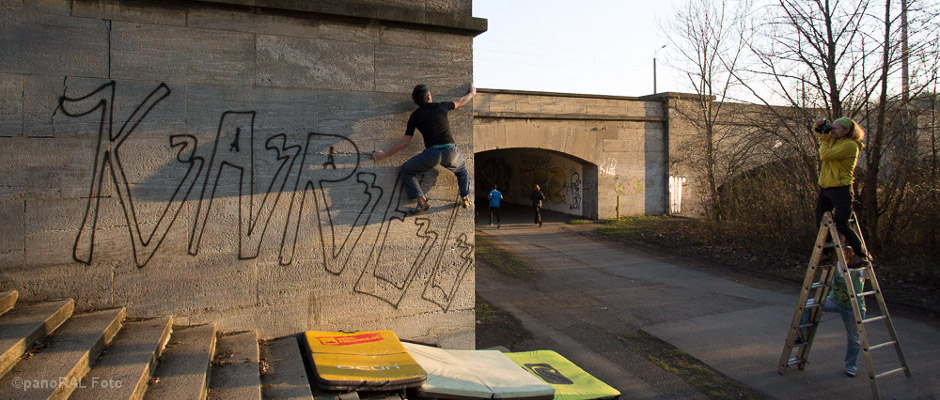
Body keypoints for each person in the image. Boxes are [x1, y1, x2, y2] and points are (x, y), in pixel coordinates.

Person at [373, 84, 476, 214]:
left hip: (431, 154)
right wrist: (472, 93)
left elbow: (405, 142)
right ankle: (465, 198)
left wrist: (384, 155)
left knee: (406, 170)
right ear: (429, 96)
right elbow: (460, 101)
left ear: (417, 102)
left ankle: (422, 202)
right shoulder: (441, 106)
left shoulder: (415, 116)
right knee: (461, 171)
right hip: (450, 151)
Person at [797, 249, 867, 377]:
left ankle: (851, 366)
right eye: (840, 255)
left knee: (854, 338)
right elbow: (823, 268)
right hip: (834, 301)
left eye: (845, 255)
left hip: (853, 307)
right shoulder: (836, 266)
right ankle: (803, 333)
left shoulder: (857, 269)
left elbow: (867, 272)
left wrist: (868, 260)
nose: (842, 258)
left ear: (850, 256)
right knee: (806, 305)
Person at [813, 117, 871, 268]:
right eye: (832, 128)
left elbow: (825, 155)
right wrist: (820, 125)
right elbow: (819, 132)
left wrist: (824, 140)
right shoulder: (835, 141)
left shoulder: (850, 145)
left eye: (835, 128)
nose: (832, 131)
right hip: (826, 187)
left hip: (841, 188)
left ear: (846, 131)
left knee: (842, 223)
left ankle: (861, 255)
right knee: (820, 221)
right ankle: (826, 255)